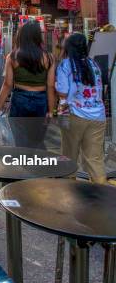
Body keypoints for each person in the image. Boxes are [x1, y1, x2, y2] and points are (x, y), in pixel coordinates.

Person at [56, 32, 107, 184]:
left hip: (73, 114)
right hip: (98, 116)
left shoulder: (65, 65)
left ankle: (69, 193)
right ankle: (104, 196)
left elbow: (63, 93)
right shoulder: (94, 64)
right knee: (94, 159)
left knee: (69, 155)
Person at [0, 21, 55, 148]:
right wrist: (51, 110)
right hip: (41, 100)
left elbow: (7, 84)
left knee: (19, 140)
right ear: (38, 36)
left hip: (20, 100)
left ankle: (23, 164)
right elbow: (50, 86)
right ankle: (36, 164)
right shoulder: (49, 58)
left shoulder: (12, 57)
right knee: (37, 140)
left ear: (21, 36)